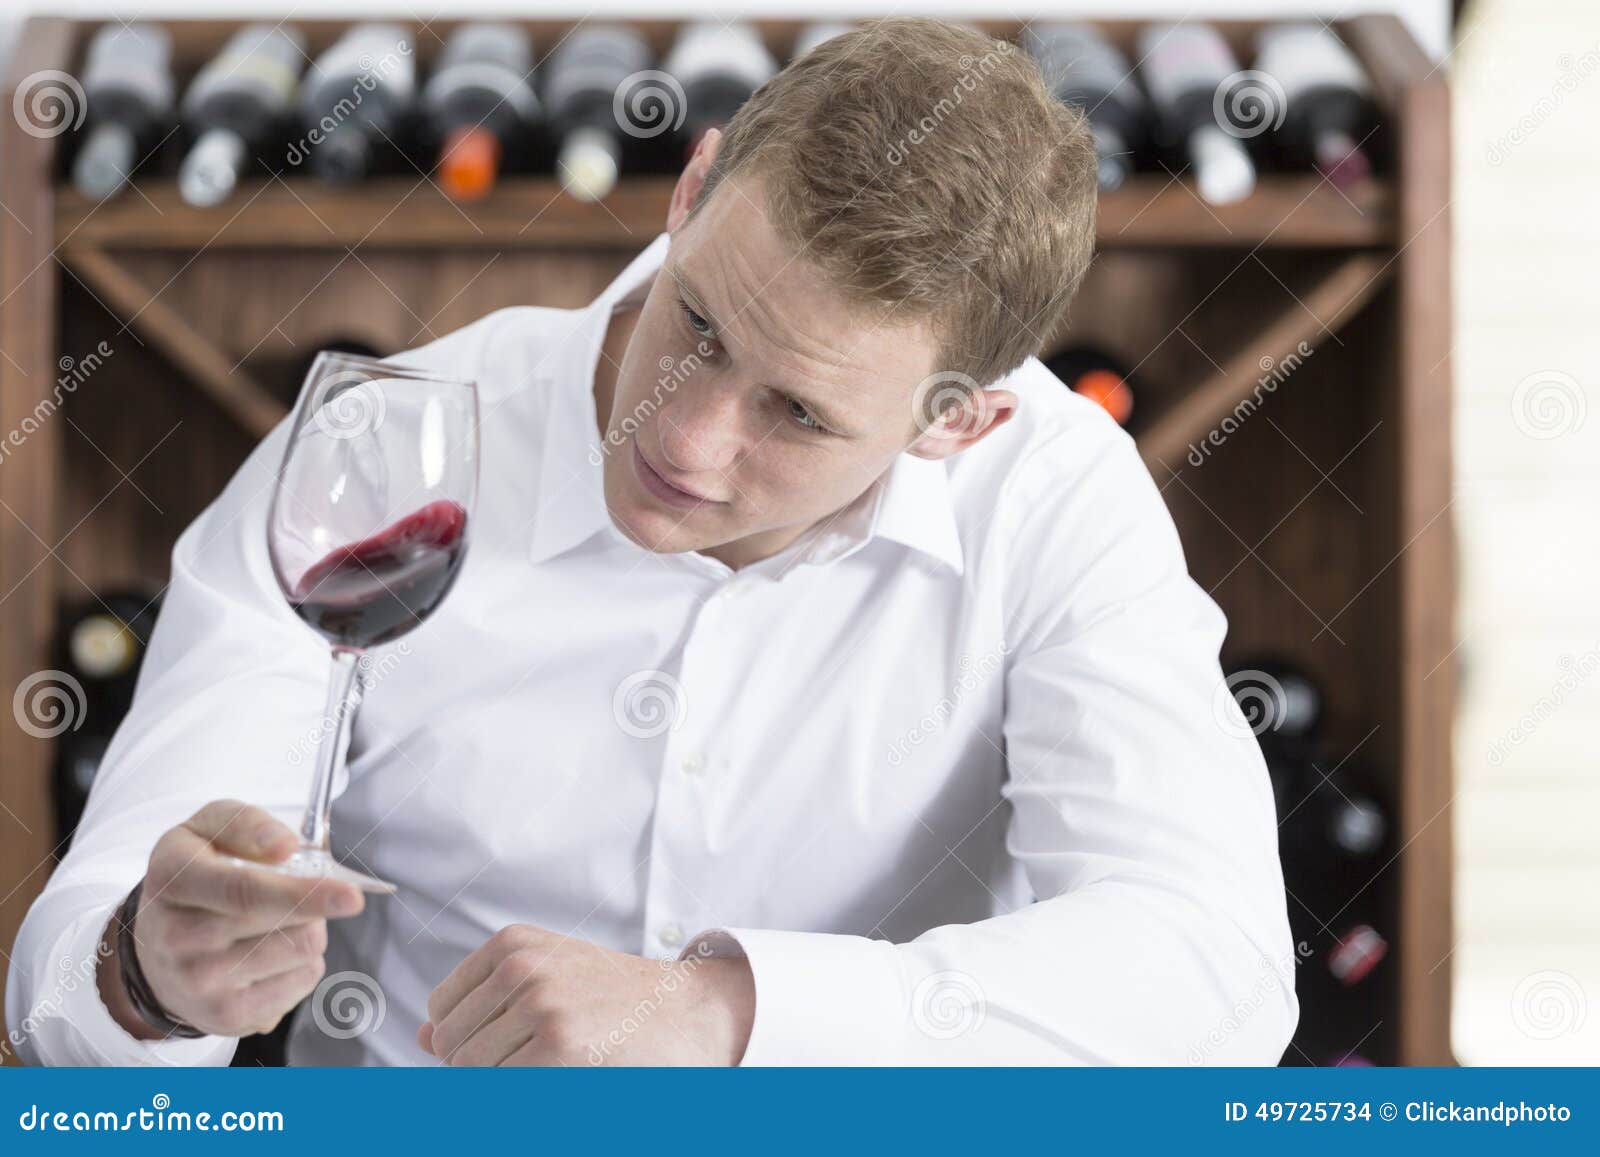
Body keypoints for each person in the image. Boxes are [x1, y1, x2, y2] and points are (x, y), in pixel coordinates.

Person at [7, 18, 1297, 1066]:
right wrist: (148, 974)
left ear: (958, 425)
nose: (683, 439)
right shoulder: (390, 445)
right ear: (692, 190)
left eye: (796, 412)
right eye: (701, 324)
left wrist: (728, 1010)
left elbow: (1219, 975)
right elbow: (72, 964)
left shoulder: (1054, 495)